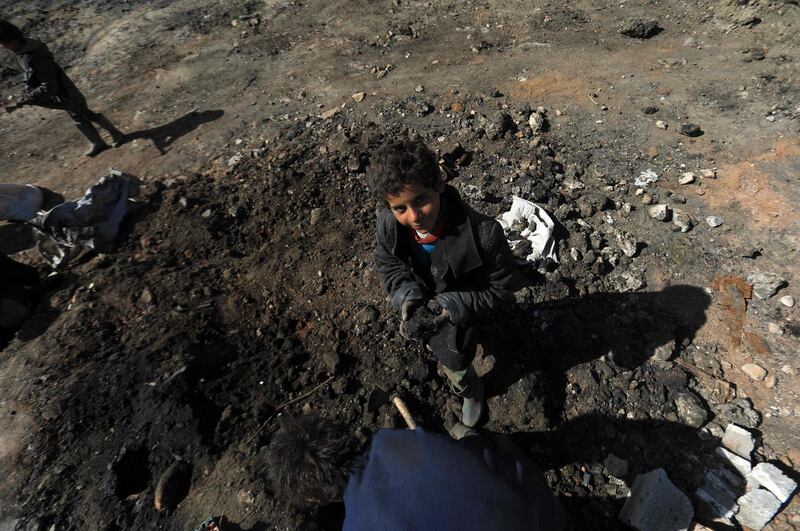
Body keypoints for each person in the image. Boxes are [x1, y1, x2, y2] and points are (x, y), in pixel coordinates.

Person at [368, 138, 518, 427]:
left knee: (457, 359)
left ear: (438, 183)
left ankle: (471, 389)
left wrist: (452, 304)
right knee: (447, 357)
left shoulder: (484, 235)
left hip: (466, 305)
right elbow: (388, 264)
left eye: (420, 200)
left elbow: (501, 287)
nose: (413, 217)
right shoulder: (388, 225)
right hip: (426, 300)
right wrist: (407, 296)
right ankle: (466, 385)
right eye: (400, 208)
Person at [266, 415, 564, 530]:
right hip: (543, 507)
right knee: (475, 443)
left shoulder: (359, 525)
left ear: (318, 497)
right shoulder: (392, 441)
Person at [0, 19, 126, 157]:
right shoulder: (24, 53)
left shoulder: (35, 57)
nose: (4, 48)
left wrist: (28, 99)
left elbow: (49, 85)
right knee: (77, 116)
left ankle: (116, 134)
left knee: (85, 113)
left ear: (10, 41)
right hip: (60, 94)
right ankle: (97, 142)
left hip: (66, 92)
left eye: (4, 44)